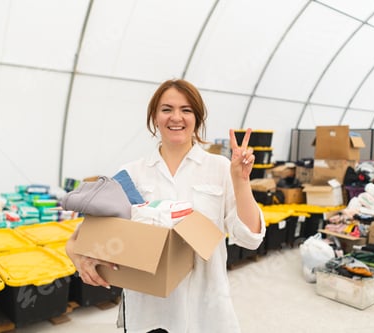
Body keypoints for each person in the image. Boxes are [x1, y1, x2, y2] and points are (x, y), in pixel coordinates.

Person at [66, 79, 266, 333]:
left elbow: (250, 239)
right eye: (166, 109)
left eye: (186, 110)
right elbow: (84, 237)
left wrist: (241, 180)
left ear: (197, 118)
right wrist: (77, 257)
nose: (176, 117)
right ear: (154, 117)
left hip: (205, 313)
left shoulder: (221, 169)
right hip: (148, 314)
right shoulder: (131, 174)